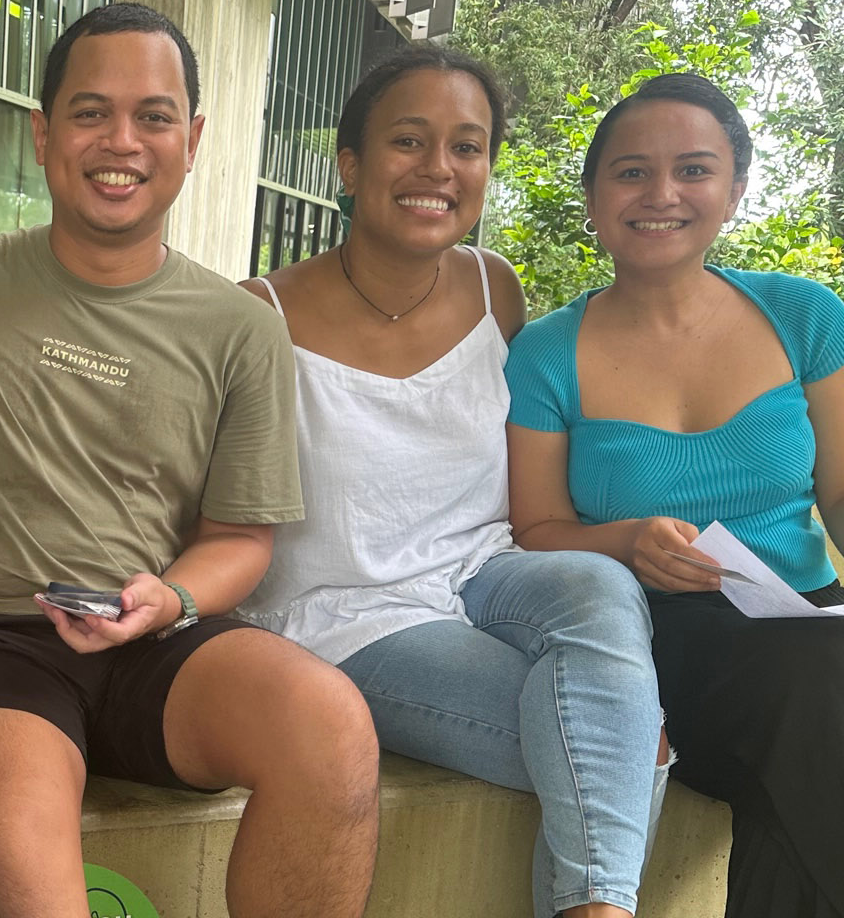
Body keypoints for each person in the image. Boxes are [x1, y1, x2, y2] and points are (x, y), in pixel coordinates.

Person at [0, 1, 380, 918]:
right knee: (31, 863)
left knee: (331, 723)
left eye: (154, 116)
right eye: (89, 111)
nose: (122, 140)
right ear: (42, 134)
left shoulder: (239, 328)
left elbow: (239, 536)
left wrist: (173, 596)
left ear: (191, 141)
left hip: (154, 640)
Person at [237, 46, 668, 918]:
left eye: (467, 147)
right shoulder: (258, 316)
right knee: (628, 744)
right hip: (347, 612)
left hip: (485, 574)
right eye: (408, 141)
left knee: (597, 584)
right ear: (350, 164)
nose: (439, 169)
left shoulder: (493, 285)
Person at [506, 72, 844, 918]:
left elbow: (839, 493)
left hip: (808, 620)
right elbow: (535, 528)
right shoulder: (546, 352)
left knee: (814, 715)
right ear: (591, 195)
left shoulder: (804, 316)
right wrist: (624, 540)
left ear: (734, 190)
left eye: (694, 170)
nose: (662, 194)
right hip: (662, 646)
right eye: (630, 172)